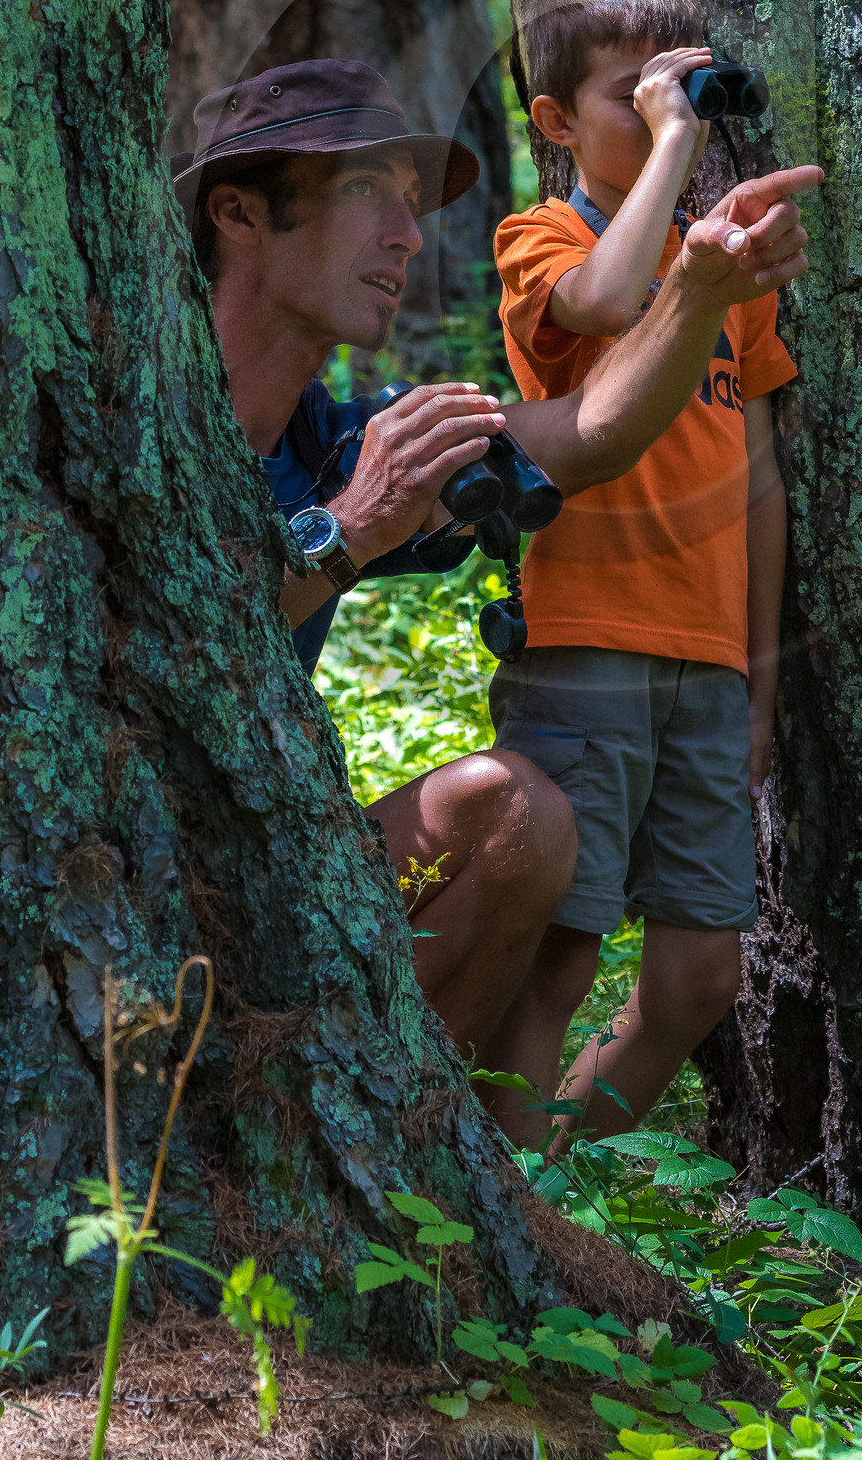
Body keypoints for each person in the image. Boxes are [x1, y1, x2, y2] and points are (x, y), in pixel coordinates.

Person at [172, 55, 819, 1066]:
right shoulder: (127, 420)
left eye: (407, 202)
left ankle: (420, 1160)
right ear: (241, 215)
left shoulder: (335, 442)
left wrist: (694, 290)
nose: (407, 234)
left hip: (257, 887)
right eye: (363, 194)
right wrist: (348, 532)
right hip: (120, 908)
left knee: (516, 812)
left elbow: (589, 432)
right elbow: (159, 655)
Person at [480, 0, 794, 1144]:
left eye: (689, 93)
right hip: (587, 645)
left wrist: (757, 674)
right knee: (557, 961)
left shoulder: (727, 272)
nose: (673, 117)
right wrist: (676, 150)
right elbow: (607, 307)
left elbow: (757, 480)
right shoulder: (540, 235)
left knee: (697, 982)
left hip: (707, 657)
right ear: (557, 122)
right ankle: (512, 1215)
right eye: (637, 96)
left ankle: (544, 1168)